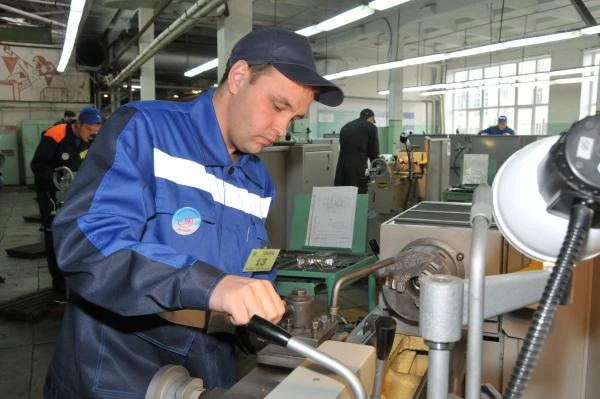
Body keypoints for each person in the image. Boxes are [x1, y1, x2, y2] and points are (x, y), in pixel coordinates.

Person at [44, 28, 343, 399]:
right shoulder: (145, 131)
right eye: (278, 106)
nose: (282, 128)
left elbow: (252, 266)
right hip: (118, 375)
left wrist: (261, 315)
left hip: (208, 371)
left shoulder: (257, 180)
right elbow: (85, 245)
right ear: (238, 77)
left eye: (293, 118)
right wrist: (210, 285)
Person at [30, 107, 102, 293]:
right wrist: (57, 182)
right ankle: (60, 286)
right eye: (89, 130)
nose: (93, 134)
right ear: (77, 125)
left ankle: (78, 280)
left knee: (79, 233)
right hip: (52, 194)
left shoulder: (92, 140)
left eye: (96, 131)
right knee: (54, 235)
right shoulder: (56, 134)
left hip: (77, 194)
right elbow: (38, 165)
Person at [334, 108, 379, 193]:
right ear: (372, 118)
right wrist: (378, 169)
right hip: (357, 168)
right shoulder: (371, 127)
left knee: (343, 193)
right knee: (357, 194)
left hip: (342, 167)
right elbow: (374, 152)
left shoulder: (345, 127)